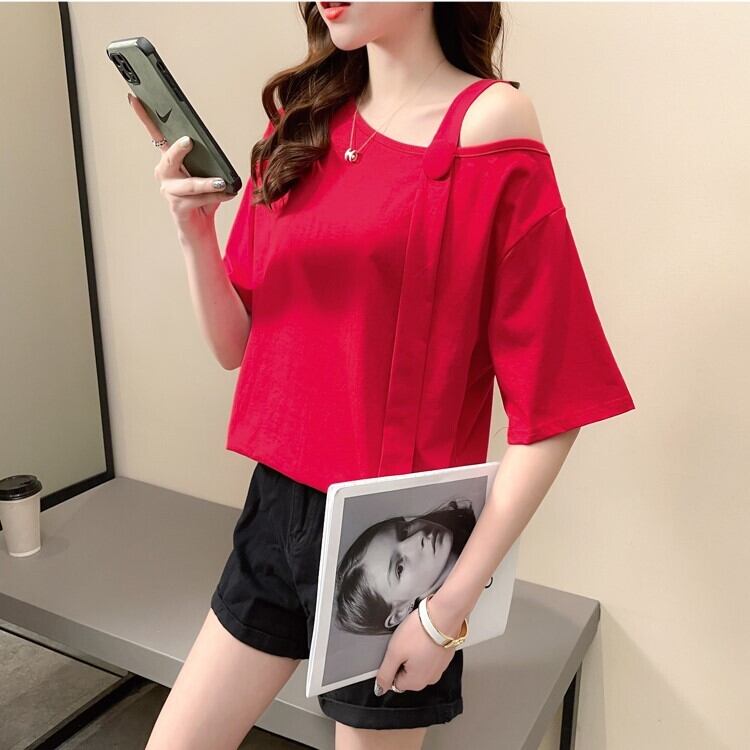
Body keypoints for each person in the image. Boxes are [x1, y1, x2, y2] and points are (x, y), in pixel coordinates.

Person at [129, 3, 636, 748]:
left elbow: (553, 408)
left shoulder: (489, 124)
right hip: (277, 508)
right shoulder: (301, 123)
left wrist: (445, 610)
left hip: (397, 538)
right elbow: (236, 346)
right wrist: (193, 231)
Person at [335, 498, 477, 635]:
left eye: (404, 532)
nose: (419, 536)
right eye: (399, 568)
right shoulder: (465, 622)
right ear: (399, 613)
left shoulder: (477, 511)